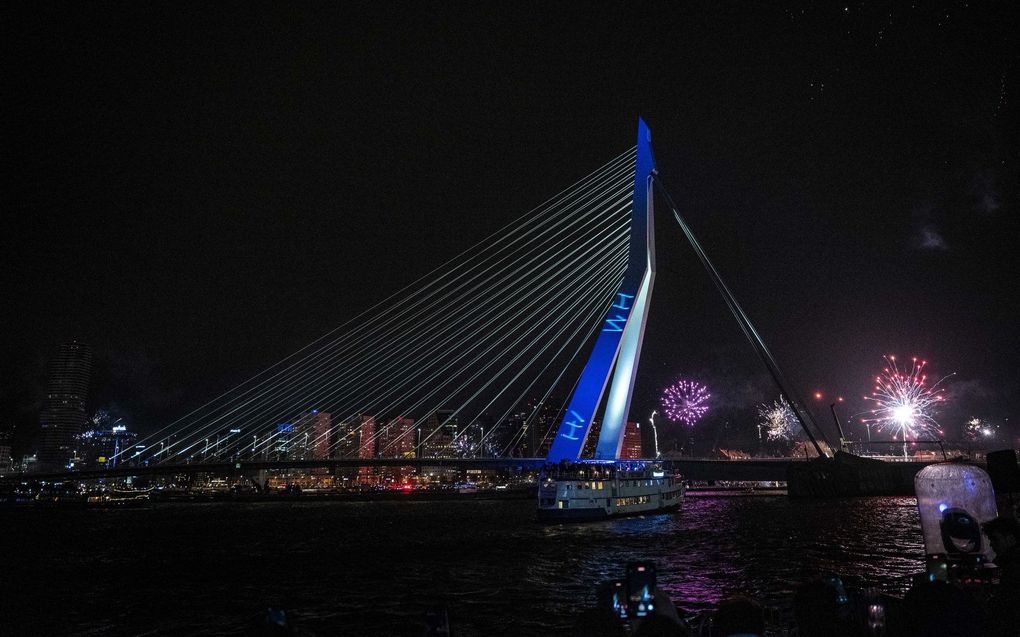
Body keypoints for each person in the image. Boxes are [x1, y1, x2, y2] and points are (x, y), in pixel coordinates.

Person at [982, 516, 1019, 637]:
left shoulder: (1008, 566)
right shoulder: (1001, 564)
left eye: (995, 539)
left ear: (1010, 538)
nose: (992, 545)